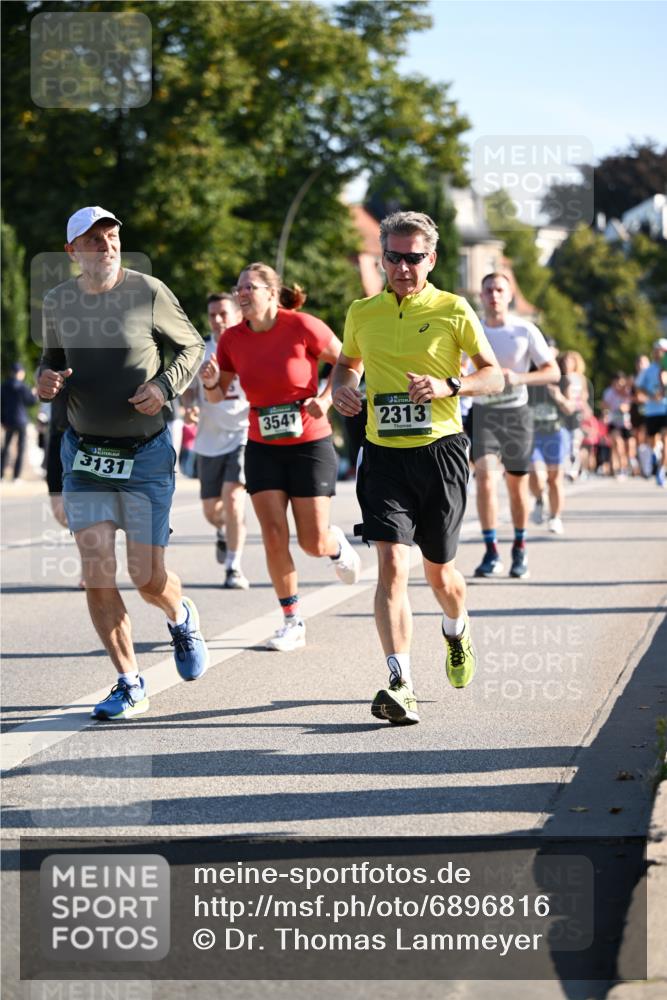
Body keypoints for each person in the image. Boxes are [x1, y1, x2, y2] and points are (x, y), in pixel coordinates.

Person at [332, 211, 503, 725]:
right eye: (394, 257)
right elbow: (348, 362)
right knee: (391, 564)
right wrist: (342, 385)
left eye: (414, 258)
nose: (403, 267)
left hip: (441, 453)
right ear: (382, 258)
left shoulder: (454, 309)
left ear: (431, 259)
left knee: (440, 573)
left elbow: (493, 376)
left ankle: (457, 629)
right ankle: (400, 681)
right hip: (383, 453)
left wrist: (451, 386)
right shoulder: (363, 311)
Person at [37, 205, 208, 721]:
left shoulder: (148, 291)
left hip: (145, 454)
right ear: (73, 252)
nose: (107, 245)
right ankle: (129, 682)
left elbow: (192, 346)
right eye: (93, 239)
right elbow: (52, 358)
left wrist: (163, 385)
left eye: (111, 236)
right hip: (85, 453)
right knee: (96, 572)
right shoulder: (57, 301)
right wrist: (46, 381)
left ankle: (180, 616)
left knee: (147, 575)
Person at [200, 261, 361, 652]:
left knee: (311, 541)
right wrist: (208, 385)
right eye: (238, 288)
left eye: (249, 288)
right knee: (273, 535)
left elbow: (350, 361)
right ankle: (292, 620)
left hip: (309, 443)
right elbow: (218, 394)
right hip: (261, 445)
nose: (241, 293)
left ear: (272, 293)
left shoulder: (302, 326)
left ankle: (335, 546)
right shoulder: (232, 340)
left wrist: (327, 399)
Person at [471, 273, 560, 579]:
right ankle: (491, 550)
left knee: (515, 484)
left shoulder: (524, 329)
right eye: (488, 290)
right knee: (484, 478)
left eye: (499, 290)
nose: (494, 295)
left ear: (509, 295)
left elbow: (553, 372)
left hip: (516, 414)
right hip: (484, 414)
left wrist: (519, 378)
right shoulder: (473, 329)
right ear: (481, 296)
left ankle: (519, 546)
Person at [182, 293, 250, 588]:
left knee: (233, 499)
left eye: (223, 313)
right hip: (209, 439)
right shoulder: (200, 351)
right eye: (213, 315)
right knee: (213, 511)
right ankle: (222, 532)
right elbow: (186, 387)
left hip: (243, 433)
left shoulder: (251, 346)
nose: (218, 320)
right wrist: (189, 406)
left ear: (237, 315)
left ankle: (234, 567)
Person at [528, 346, 578, 535]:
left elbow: (571, 408)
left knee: (555, 479)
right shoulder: (528, 376)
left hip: (556, 433)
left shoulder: (563, 379)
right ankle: (540, 499)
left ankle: (555, 517)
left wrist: (558, 397)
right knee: (535, 474)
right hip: (533, 433)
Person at [635, 339, 667, 487]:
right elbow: (638, 388)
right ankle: (656, 457)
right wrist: (651, 395)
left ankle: (662, 469)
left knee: (666, 439)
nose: (661, 353)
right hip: (652, 411)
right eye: (659, 350)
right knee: (652, 441)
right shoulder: (648, 370)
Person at [1, 362, 36, 481]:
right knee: (20, 449)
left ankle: (1, 475)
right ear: (20, 373)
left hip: (8, 421)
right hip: (21, 421)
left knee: (5, 448)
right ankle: (16, 477)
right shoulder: (23, 387)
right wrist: (34, 394)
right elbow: (31, 402)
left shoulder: (4, 386)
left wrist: (2, 421)